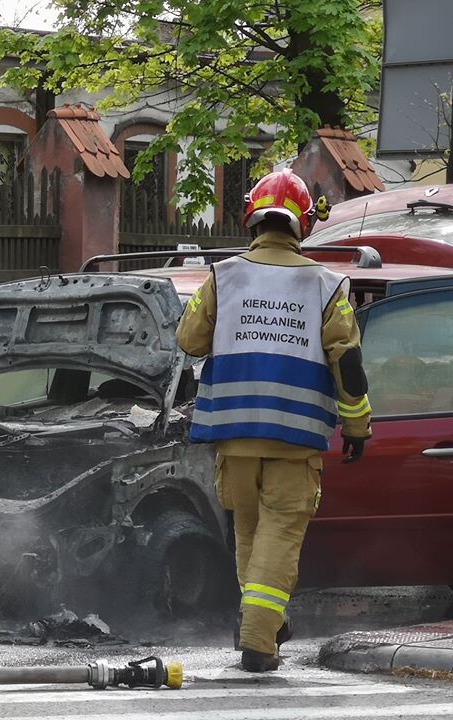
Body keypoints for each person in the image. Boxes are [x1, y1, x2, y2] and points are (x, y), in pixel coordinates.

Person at [175, 169, 372, 672]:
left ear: (253, 217)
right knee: (280, 534)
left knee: (251, 530)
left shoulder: (222, 276)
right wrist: (356, 427)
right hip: (296, 433)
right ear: (302, 222)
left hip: (233, 434)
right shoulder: (328, 285)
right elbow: (346, 363)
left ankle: (264, 621)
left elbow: (188, 340)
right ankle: (259, 641)